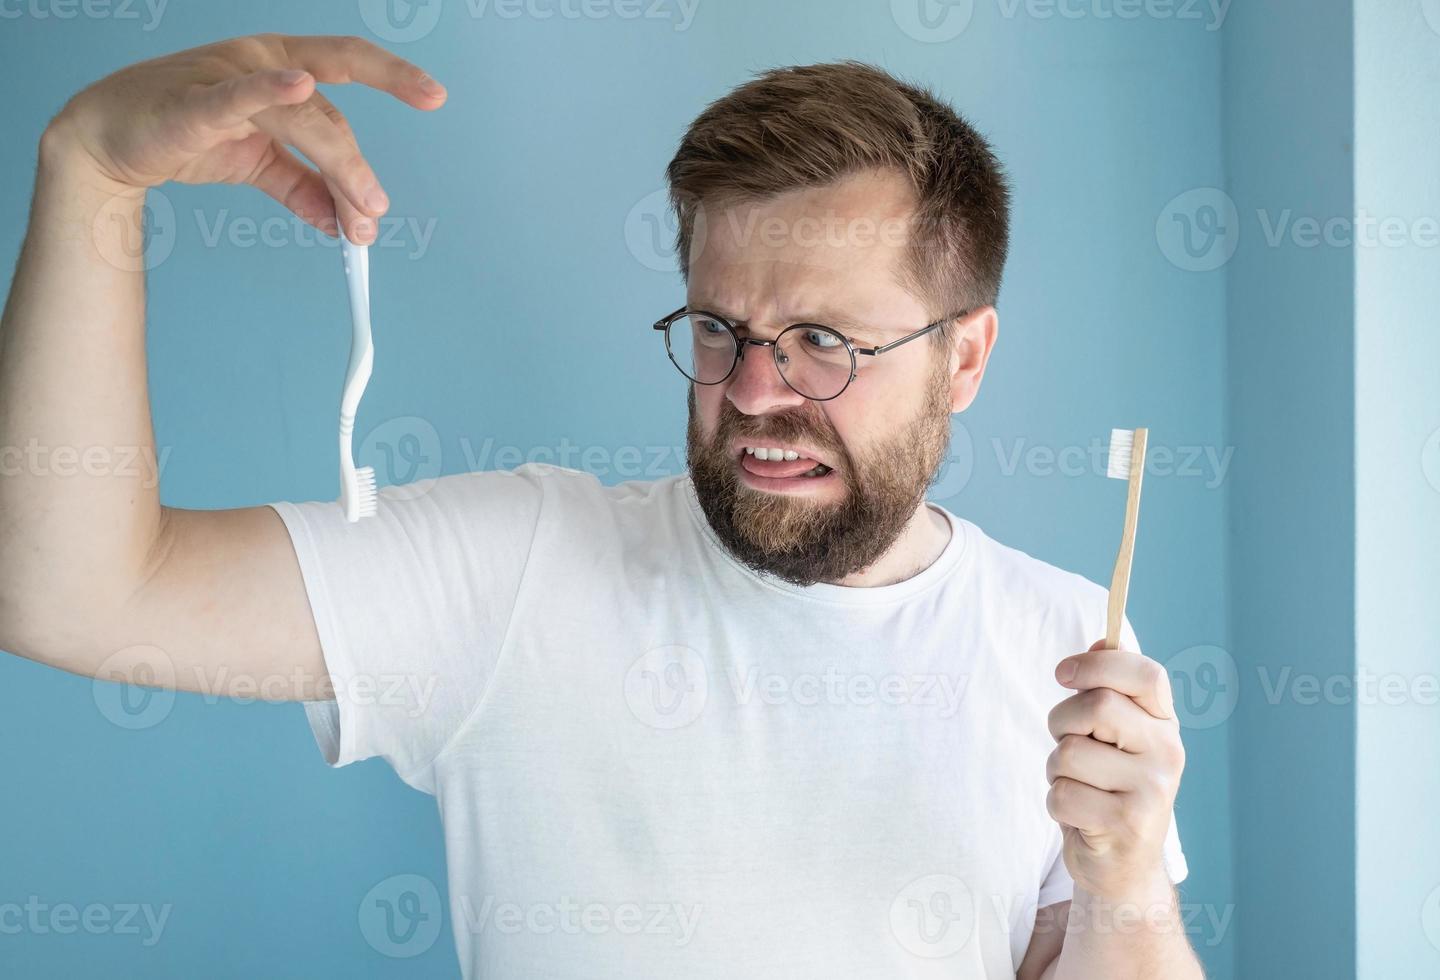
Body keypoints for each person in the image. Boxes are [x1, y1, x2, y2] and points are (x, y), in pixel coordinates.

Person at [0, 33, 1200, 979]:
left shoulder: (1068, 642)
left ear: (967, 356)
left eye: (824, 341)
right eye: (721, 328)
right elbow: (77, 592)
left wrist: (1128, 887)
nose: (752, 392)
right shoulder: (519, 568)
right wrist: (90, 172)